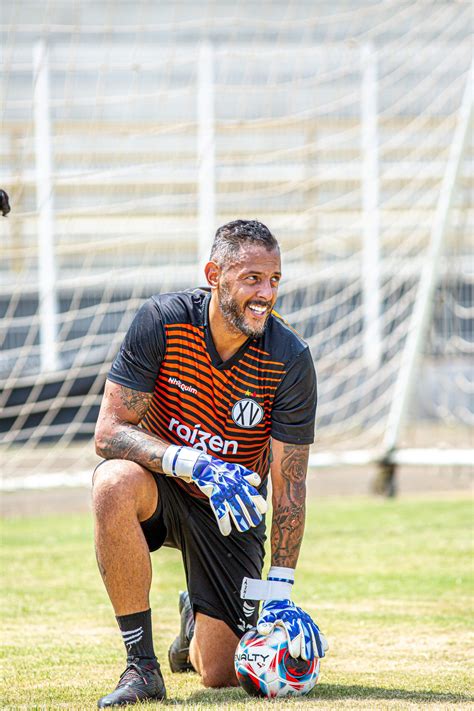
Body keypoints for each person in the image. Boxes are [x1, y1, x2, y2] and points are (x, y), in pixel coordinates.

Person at [92, 219, 327, 707]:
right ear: (214, 274)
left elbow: (289, 486)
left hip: (232, 511)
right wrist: (192, 463)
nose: (266, 293)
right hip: (164, 484)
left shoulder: (290, 358)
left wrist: (279, 590)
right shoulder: (162, 321)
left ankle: (193, 625)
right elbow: (109, 432)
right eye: (252, 279)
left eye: (275, 280)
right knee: (112, 482)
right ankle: (142, 668)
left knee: (223, 673)